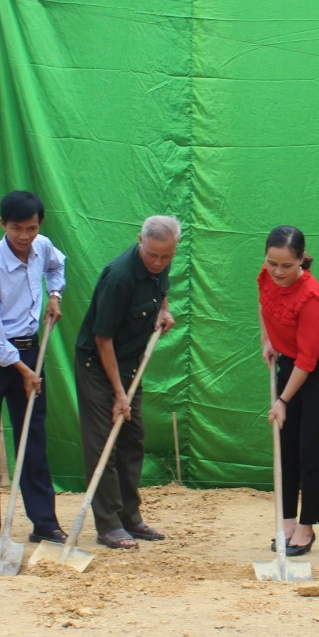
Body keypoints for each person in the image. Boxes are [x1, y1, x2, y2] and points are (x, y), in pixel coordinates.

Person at [0, 190, 68, 549]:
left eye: (32, 228)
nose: (25, 236)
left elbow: (58, 265)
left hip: (29, 349)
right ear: (2, 225)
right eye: (17, 228)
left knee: (33, 438)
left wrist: (55, 295)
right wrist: (24, 372)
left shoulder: (42, 247)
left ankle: (44, 523)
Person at [76, 215, 179, 550]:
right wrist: (118, 393)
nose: (159, 262)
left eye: (166, 256)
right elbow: (102, 338)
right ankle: (108, 524)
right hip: (99, 364)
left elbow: (160, 288)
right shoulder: (118, 276)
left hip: (130, 363)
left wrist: (163, 311)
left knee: (133, 438)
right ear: (140, 241)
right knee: (103, 443)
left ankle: (130, 518)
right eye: (153, 255)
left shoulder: (161, 264)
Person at [258, 225, 319, 557]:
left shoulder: (312, 296)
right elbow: (264, 303)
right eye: (272, 263)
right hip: (289, 364)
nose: (278, 272)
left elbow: (308, 359)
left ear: (301, 261)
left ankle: (307, 527)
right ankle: (288, 522)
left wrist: (282, 400)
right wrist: (267, 339)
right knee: (286, 448)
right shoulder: (267, 276)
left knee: (309, 449)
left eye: (286, 266)